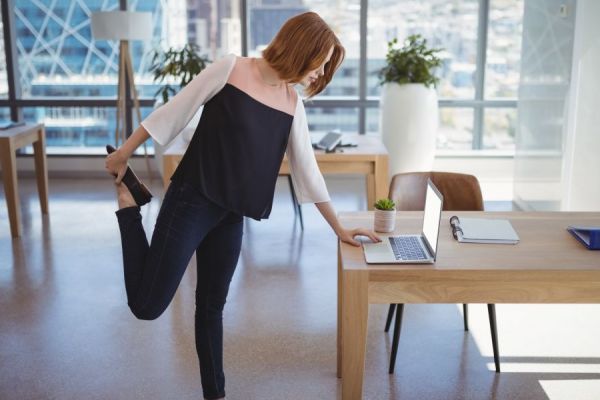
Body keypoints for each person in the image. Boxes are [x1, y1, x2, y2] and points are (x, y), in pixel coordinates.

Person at [105, 11, 381, 400]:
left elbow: (309, 173)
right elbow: (174, 112)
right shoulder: (230, 69)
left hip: (231, 214)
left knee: (211, 307)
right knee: (147, 306)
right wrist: (124, 153)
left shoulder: (292, 105)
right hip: (191, 200)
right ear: (301, 49)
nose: (319, 76)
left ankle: (215, 394)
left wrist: (339, 228)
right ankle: (129, 208)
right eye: (319, 65)